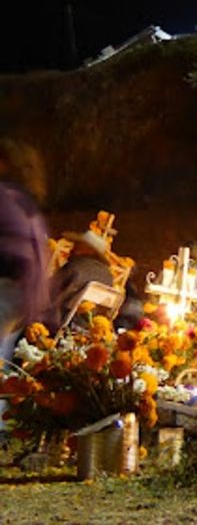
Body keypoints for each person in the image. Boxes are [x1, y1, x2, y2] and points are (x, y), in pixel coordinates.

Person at [0, 183, 49, 434]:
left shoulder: (5, 198)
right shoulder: (22, 201)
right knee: (3, 355)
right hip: (25, 293)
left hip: (9, 285)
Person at [47, 229, 114, 327]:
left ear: (89, 250)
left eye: (77, 246)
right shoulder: (109, 276)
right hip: (88, 327)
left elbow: (47, 293)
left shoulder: (75, 266)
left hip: (58, 322)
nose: (72, 249)